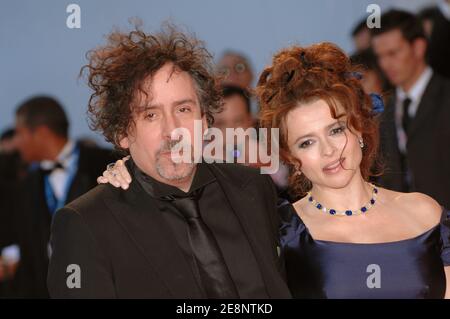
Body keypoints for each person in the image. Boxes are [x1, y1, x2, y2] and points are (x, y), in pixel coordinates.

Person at [47, 26, 291, 299]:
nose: (172, 130)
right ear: (122, 132)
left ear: (204, 119)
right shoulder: (86, 224)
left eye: (183, 109)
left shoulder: (253, 189)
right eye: (150, 115)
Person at [0, 96, 118, 298]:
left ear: (41, 133)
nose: (17, 142)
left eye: (20, 133)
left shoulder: (107, 163)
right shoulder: (25, 187)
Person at [371, 9, 450, 208]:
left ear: (418, 47)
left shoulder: (446, 96)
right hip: (406, 230)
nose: (386, 63)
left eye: (393, 53)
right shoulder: (385, 112)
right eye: (380, 56)